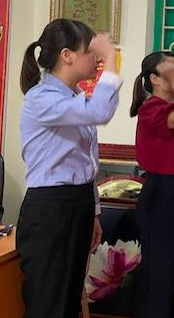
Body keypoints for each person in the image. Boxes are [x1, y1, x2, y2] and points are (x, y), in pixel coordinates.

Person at [17, 18, 122, 318]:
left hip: (78, 203)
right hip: (51, 208)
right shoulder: (41, 98)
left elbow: (87, 161)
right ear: (67, 56)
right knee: (48, 304)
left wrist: (95, 211)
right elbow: (101, 111)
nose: (97, 58)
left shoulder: (75, 97)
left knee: (68, 303)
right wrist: (112, 58)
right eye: (91, 51)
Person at [130, 51, 174, 318]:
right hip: (162, 194)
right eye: (171, 71)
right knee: (161, 271)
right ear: (155, 79)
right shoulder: (152, 109)